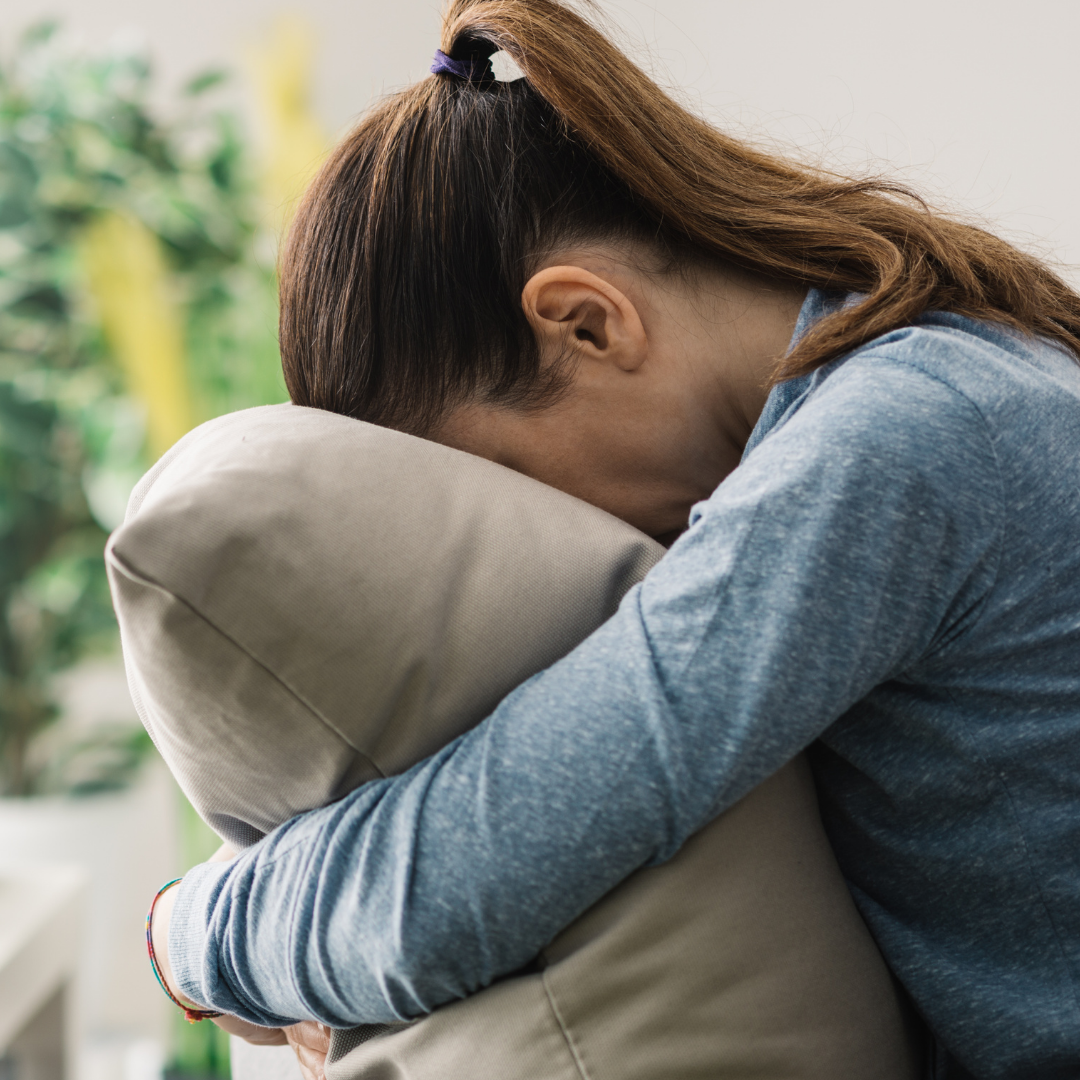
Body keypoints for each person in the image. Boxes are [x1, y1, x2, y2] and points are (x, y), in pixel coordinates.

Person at [149, 1, 1080, 1077]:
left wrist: (187, 936)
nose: (547, 537)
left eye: (500, 481)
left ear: (586, 322)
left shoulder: (896, 444)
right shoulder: (964, 369)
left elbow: (471, 872)